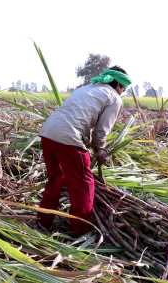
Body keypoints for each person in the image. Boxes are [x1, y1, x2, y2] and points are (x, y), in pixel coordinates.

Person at [38, 66, 130, 234]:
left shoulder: (87, 88)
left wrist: (88, 141)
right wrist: (100, 150)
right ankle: (80, 230)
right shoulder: (114, 98)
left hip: (48, 133)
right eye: (124, 88)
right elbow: (102, 130)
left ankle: (43, 223)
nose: (123, 92)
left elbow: (79, 115)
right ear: (119, 85)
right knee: (84, 184)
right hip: (69, 138)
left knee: (55, 179)